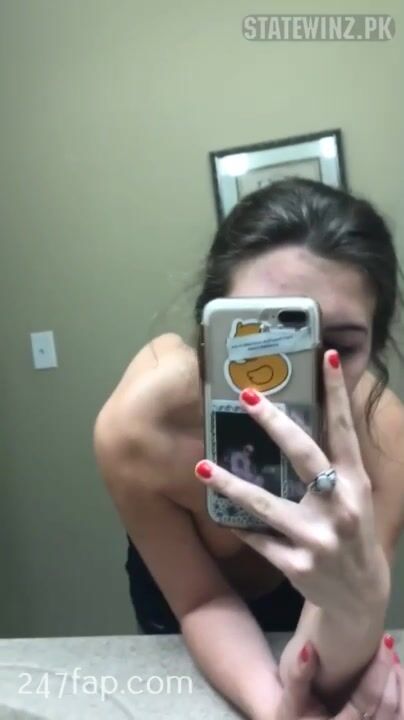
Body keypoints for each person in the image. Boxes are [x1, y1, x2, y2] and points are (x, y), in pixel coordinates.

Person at [94, 178, 404, 719]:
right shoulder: (140, 429)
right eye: (259, 334)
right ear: (208, 327)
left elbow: (336, 622)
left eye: (338, 345)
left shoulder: (385, 438)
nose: (294, 373)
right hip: (182, 607)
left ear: (374, 346)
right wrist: (274, 709)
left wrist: (357, 614)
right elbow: (200, 602)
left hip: (306, 605)